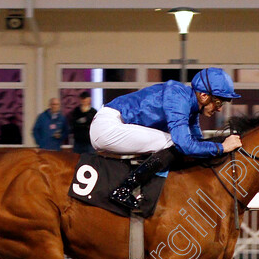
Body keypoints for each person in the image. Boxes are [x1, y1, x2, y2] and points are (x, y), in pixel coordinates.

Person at [90, 67, 242, 210]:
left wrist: (220, 146)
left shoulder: (191, 108)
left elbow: (197, 144)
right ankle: (124, 190)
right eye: (218, 101)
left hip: (116, 126)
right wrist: (222, 147)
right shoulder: (178, 97)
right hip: (107, 127)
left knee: (175, 144)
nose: (220, 108)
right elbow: (185, 145)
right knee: (173, 143)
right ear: (203, 96)